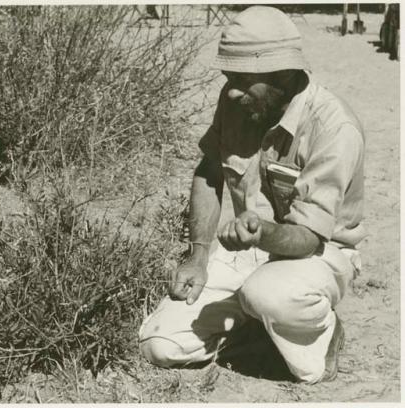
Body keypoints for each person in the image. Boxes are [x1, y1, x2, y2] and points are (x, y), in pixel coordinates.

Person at [138, 6, 365, 384]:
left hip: (320, 255)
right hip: (247, 250)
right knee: (160, 345)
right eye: (229, 77)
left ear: (286, 75)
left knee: (273, 303)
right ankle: (259, 326)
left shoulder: (334, 128)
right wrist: (197, 256)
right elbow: (209, 171)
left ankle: (324, 336)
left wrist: (261, 232)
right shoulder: (236, 102)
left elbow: (308, 238)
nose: (233, 90)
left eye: (244, 78)